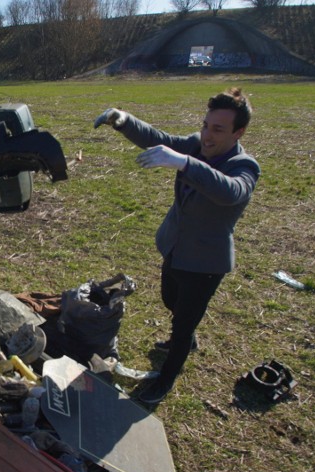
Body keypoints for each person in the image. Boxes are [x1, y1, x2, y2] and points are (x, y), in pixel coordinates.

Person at [94, 87, 260, 405]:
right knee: (170, 299)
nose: (207, 136)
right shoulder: (198, 145)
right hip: (175, 248)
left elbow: (231, 192)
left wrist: (185, 164)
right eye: (205, 125)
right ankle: (185, 331)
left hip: (206, 263)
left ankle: (166, 378)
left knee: (183, 326)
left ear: (239, 132)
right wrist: (124, 120)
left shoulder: (244, 166)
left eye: (218, 129)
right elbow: (161, 139)